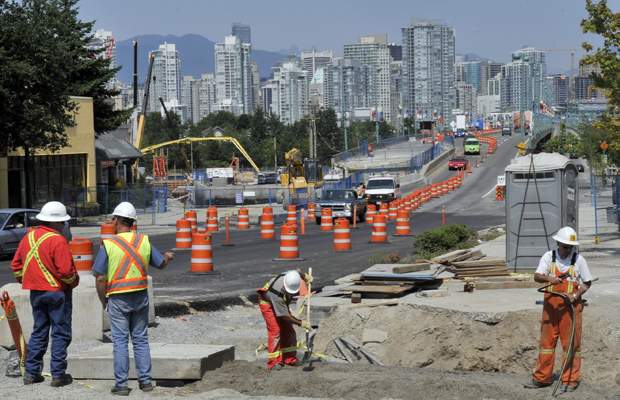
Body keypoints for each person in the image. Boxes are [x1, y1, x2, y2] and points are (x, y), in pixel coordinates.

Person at [92, 202, 174, 396]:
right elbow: (160, 264)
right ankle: (145, 382)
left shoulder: (109, 244)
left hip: (118, 299)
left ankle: (121, 385)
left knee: (120, 341)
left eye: (113, 219)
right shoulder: (143, 240)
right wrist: (167, 257)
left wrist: (103, 301)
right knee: (140, 339)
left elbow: (100, 278)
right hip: (140, 296)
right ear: (132, 221)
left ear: (117, 220)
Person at [11, 201, 79, 387]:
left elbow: (16, 266)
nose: (65, 225)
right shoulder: (58, 240)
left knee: (39, 331)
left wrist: (26, 280)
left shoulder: (28, 238)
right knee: (60, 333)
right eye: (63, 222)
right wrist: (74, 282)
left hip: (36, 293)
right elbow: (65, 272)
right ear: (55, 222)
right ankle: (58, 375)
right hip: (57, 293)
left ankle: (32, 373)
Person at [524, 227, 592, 393]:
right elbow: (537, 276)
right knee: (546, 343)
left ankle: (569, 380)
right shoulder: (549, 257)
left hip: (570, 308)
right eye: (565, 247)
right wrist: (549, 278)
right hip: (551, 307)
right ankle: (542, 378)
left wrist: (575, 296)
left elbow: (587, 282)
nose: (568, 250)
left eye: (571, 247)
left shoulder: (579, 260)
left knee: (571, 345)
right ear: (558, 243)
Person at [257, 269, 313, 371]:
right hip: (268, 304)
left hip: (282, 302)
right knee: (275, 331)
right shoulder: (277, 293)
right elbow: (286, 316)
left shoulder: (292, 276)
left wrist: (306, 277)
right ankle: (274, 362)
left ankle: (289, 359)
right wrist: (302, 323)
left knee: (289, 330)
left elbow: (298, 271)